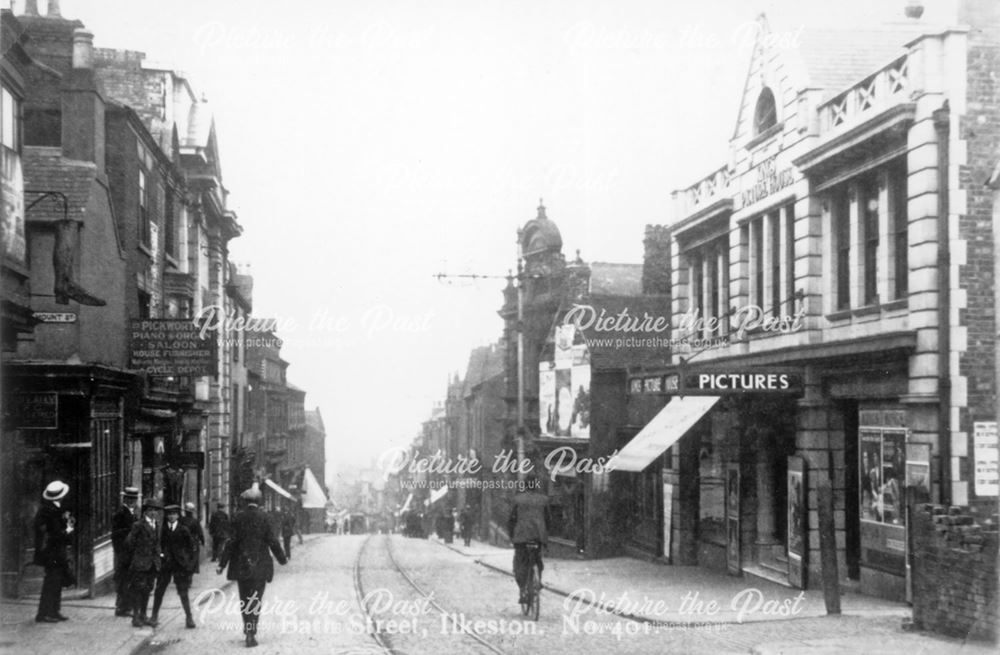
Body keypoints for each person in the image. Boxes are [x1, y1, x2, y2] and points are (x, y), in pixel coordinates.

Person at [218, 485, 287, 648]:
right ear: (258, 501)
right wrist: (282, 558)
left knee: (244, 599)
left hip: (241, 564)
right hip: (260, 565)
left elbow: (231, 543)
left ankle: (247, 629)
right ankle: (251, 632)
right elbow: (273, 540)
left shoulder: (237, 517)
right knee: (256, 599)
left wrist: (222, 564)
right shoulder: (265, 517)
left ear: (245, 502)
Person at [149, 504, 198, 628]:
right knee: (159, 590)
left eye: (174, 514)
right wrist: (161, 556)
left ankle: (189, 617)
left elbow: (192, 547)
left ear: (177, 515)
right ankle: (154, 616)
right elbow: (159, 544)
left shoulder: (183, 529)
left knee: (183, 592)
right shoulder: (163, 529)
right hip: (166, 564)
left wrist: (189, 564)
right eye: (169, 514)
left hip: (180, 566)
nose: (171, 517)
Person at [33, 480, 74, 623]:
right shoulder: (49, 511)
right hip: (52, 553)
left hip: (56, 552)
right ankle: (44, 613)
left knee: (56, 582)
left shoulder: (54, 508)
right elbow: (55, 534)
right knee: (51, 583)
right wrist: (68, 529)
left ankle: (54, 611)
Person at [506, 475, 551, 605]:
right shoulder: (543, 499)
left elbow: (511, 520)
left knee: (519, 564)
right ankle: (538, 581)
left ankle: (523, 589)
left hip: (521, 538)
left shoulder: (518, 499)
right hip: (538, 537)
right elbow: (549, 520)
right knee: (538, 560)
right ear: (536, 485)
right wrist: (545, 535)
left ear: (525, 485)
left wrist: (512, 536)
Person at [125, 500, 162, 627]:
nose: (153, 513)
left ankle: (143, 615)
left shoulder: (156, 524)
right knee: (138, 589)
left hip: (152, 564)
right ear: (146, 511)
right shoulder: (138, 525)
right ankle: (136, 617)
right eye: (151, 510)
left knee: (147, 589)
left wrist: (158, 557)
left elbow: (157, 543)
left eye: (155, 510)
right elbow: (130, 542)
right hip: (140, 563)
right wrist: (138, 555)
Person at [111, 486, 139, 616]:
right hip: (124, 552)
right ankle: (122, 607)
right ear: (125, 499)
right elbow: (115, 534)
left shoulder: (134, 513)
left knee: (130, 579)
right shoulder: (120, 514)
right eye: (130, 499)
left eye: (134, 499)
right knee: (123, 580)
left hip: (132, 552)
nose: (132, 501)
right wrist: (120, 551)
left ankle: (127, 606)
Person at [180, 502, 206, 572]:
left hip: (182, 543)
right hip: (193, 543)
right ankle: (191, 571)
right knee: (193, 558)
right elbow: (200, 533)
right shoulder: (195, 521)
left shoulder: (181, 520)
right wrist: (203, 541)